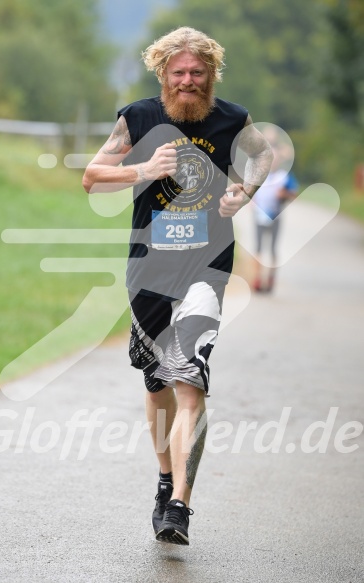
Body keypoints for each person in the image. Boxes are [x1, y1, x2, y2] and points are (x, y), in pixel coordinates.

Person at [83, 26, 273, 545]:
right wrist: (143, 167)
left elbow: (261, 156)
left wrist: (244, 192)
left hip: (207, 268)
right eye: (178, 72)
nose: (188, 81)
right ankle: (165, 477)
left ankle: (181, 507)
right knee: (158, 382)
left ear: (211, 74)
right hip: (148, 267)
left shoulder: (233, 118)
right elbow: (92, 175)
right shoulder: (139, 117)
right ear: (163, 74)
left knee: (190, 377)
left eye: (197, 72)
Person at [251, 140, 298, 292]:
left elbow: (294, 195)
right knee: (258, 248)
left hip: (276, 215)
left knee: (272, 249)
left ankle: (270, 279)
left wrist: (285, 194)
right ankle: (258, 279)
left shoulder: (284, 177)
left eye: (275, 159)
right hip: (259, 215)